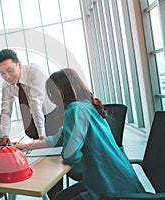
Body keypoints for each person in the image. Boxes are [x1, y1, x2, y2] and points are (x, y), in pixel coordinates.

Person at [15, 68, 145, 199]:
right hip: (118, 179)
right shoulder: (85, 106)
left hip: (110, 188)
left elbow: (70, 156)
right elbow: (57, 139)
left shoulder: (75, 109)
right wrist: (27, 146)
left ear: (61, 92)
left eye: (51, 92)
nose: (50, 98)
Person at [0, 48, 59, 146]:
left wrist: (42, 136)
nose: (7, 76)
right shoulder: (6, 85)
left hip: (53, 115)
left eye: (9, 70)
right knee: (37, 152)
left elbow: (35, 103)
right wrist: (5, 135)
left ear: (19, 64)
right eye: (2, 73)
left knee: (55, 148)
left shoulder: (34, 72)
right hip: (34, 118)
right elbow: (6, 112)